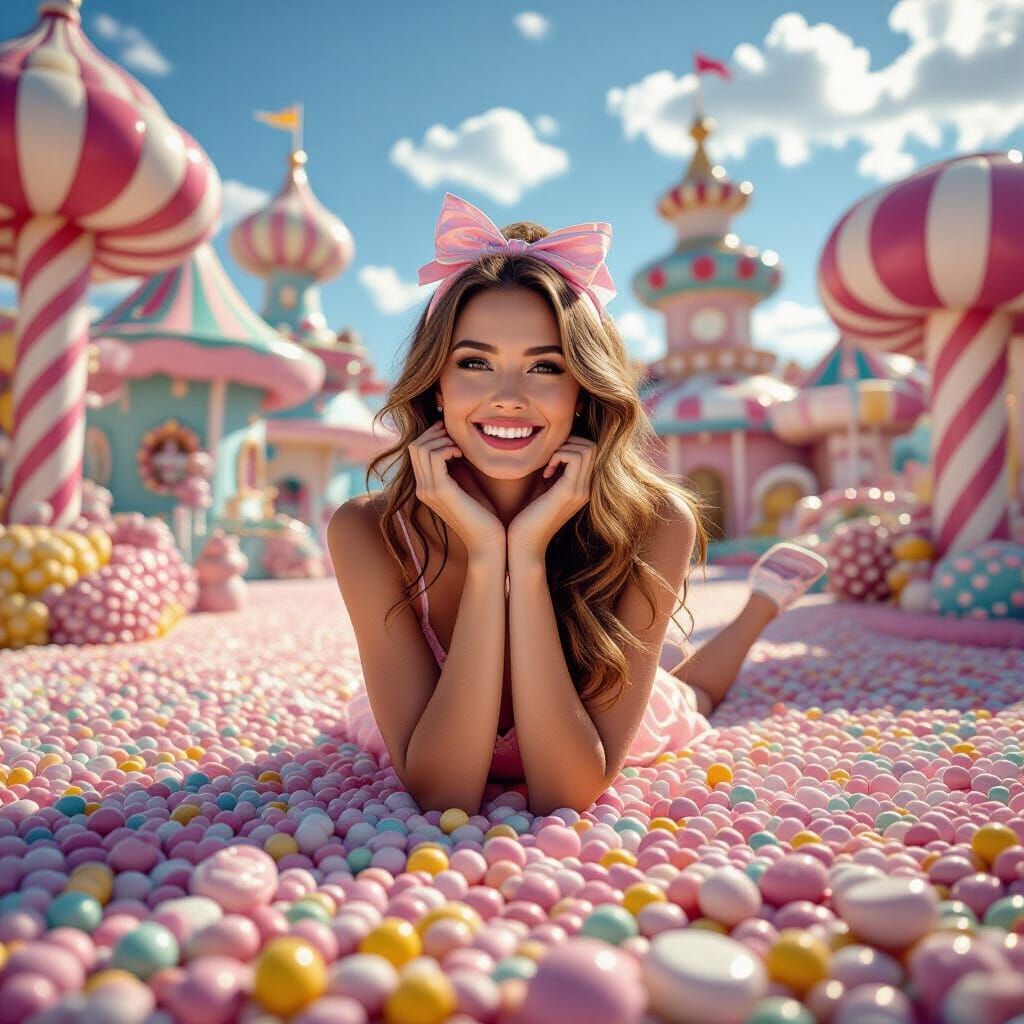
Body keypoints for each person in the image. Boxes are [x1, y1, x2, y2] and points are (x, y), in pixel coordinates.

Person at [328, 193, 827, 816]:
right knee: (648, 660)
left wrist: (529, 557)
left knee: (690, 694)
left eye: (545, 368)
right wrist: (489, 555)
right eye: (476, 362)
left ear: (584, 392)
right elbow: (440, 788)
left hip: (595, 715)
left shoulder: (655, 520)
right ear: (435, 386)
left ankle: (759, 607)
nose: (507, 397)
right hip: (436, 714)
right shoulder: (366, 529)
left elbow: (568, 790)